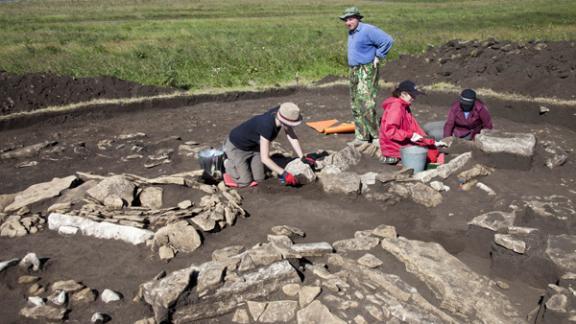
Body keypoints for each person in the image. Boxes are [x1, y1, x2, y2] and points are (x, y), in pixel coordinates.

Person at [222, 102, 313, 188]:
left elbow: (291, 135)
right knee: (245, 182)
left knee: (259, 179)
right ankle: (228, 163)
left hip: (254, 145)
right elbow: (265, 159)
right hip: (237, 146)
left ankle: (244, 165)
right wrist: (284, 173)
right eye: (291, 124)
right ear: (283, 121)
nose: (292, 126)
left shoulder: (283, 111)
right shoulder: (267, 126)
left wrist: (302, 157)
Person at [340, 6, 394, 146]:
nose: (348, 22)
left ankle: (376, 136)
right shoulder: (352, 32)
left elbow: (387, 40)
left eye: (350, 19)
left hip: (367, 68)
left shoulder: (368, 30)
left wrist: (378, 56)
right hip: (354, 70)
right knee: (355, 103)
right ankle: (362, 136)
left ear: (358, 18)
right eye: (346, 20)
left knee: (366, 102)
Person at [379, 80, 446, 164]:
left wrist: (432, 142)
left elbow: (415, 130)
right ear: (403, 94)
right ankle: (393, 159)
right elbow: (390, 131)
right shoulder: (396, 107)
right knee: (431, 155)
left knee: (433, 150)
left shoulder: (404, 106)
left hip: (402, 142)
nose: (414, 98)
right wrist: (410, 135)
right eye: (412, 95)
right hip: (394, 147)